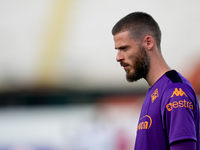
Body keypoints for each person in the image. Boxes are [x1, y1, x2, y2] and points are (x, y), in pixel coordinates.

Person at [111, 12, 200, 150]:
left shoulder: (176, 92)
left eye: (124, 48)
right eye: (117, 50)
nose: (118, 57)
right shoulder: (155, 91)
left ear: (148, 42)